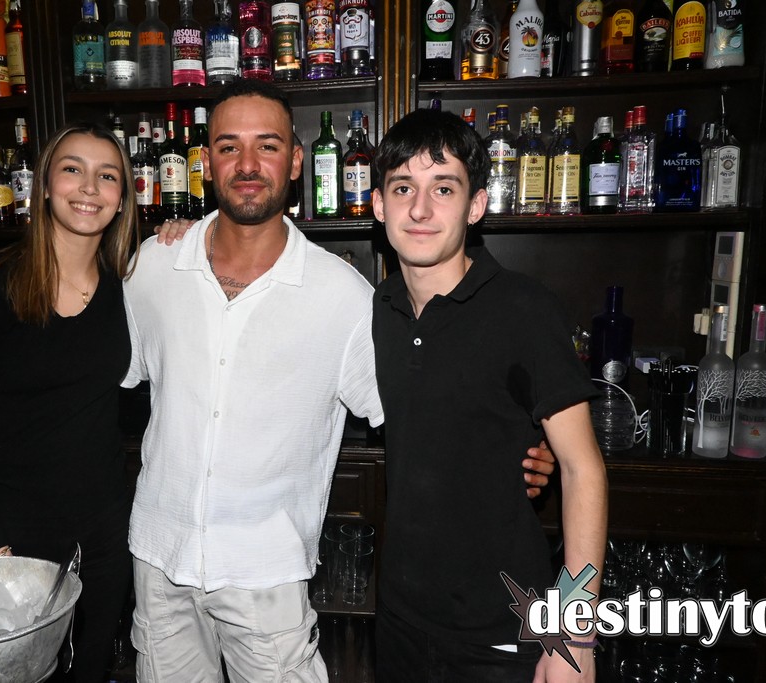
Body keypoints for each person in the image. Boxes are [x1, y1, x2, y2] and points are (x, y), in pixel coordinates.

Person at [124, 79, 558, 682]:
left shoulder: (345, 296)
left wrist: (524, 443)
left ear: (296, 161)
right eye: (228, 147)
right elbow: (98, 381)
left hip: (267, 577)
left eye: (267, 145)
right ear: (205, 161)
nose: (247, 164)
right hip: (158, 560)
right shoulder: (152, 267)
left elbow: (421, 409)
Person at [370, 108, 609, 682]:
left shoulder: (523, 308)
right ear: (378, 205)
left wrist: (575, 635)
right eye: (402, 188)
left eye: (443, 188)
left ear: (476, 205)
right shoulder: (379, 308)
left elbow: (583, 469)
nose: (420, 209)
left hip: (501, 630)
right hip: (399, 620)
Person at [0, 119, 140, 683]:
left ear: (123, 197)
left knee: (90, 670)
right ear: (45, 185)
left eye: (107, 176)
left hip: (105, 533)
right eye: (73, 170)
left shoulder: (127, 286)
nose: (89, 188)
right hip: (16, 535)